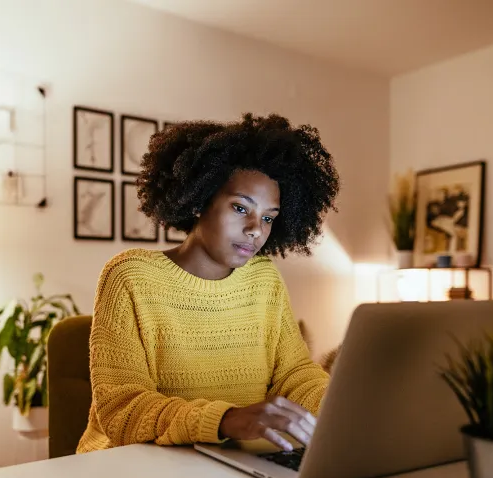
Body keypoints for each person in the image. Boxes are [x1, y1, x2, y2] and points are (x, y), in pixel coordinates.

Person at [76, 113, 340, 454]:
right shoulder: (130, 277)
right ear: (200, 201)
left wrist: (339, 405)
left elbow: (294, 374)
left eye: (268, 217)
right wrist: (225, 419)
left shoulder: (264, 278)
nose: (255, 229)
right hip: (135, 464)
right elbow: (123, 409)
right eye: (240, 208)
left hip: (234, 458)